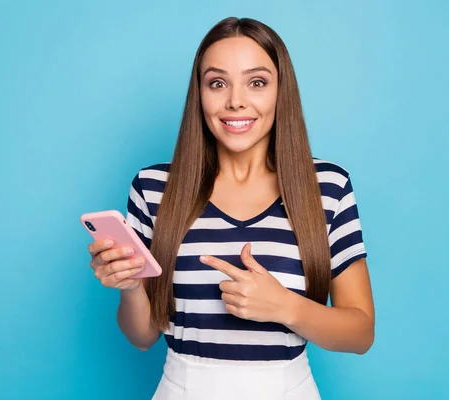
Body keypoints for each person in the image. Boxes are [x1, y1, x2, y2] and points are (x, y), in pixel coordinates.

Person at [88, 16, 375, 400]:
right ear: (200, 94)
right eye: (217, 83)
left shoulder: (328, 187)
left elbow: (360, 333)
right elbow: (142, 336)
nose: (235, 100)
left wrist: (285, 306)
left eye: (256, 82)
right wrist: (130, 287)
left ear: (280, 91)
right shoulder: (154, 189)